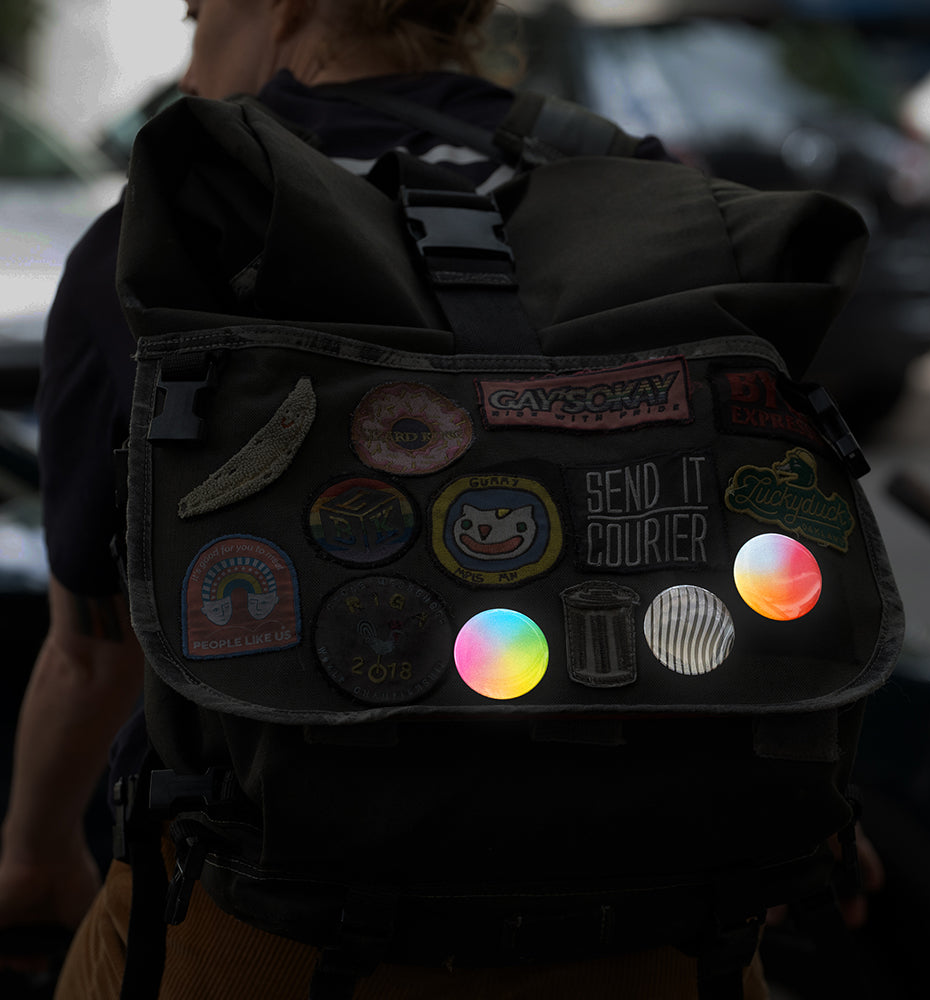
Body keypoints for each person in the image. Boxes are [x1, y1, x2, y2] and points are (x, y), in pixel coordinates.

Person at [0, 2, 879, 996]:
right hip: (660, 914)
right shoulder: (649, 195)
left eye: (199, 8)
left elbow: (91, 651)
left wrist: (34, 854)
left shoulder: (173, 230)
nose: (191, 36)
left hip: (271, 924)